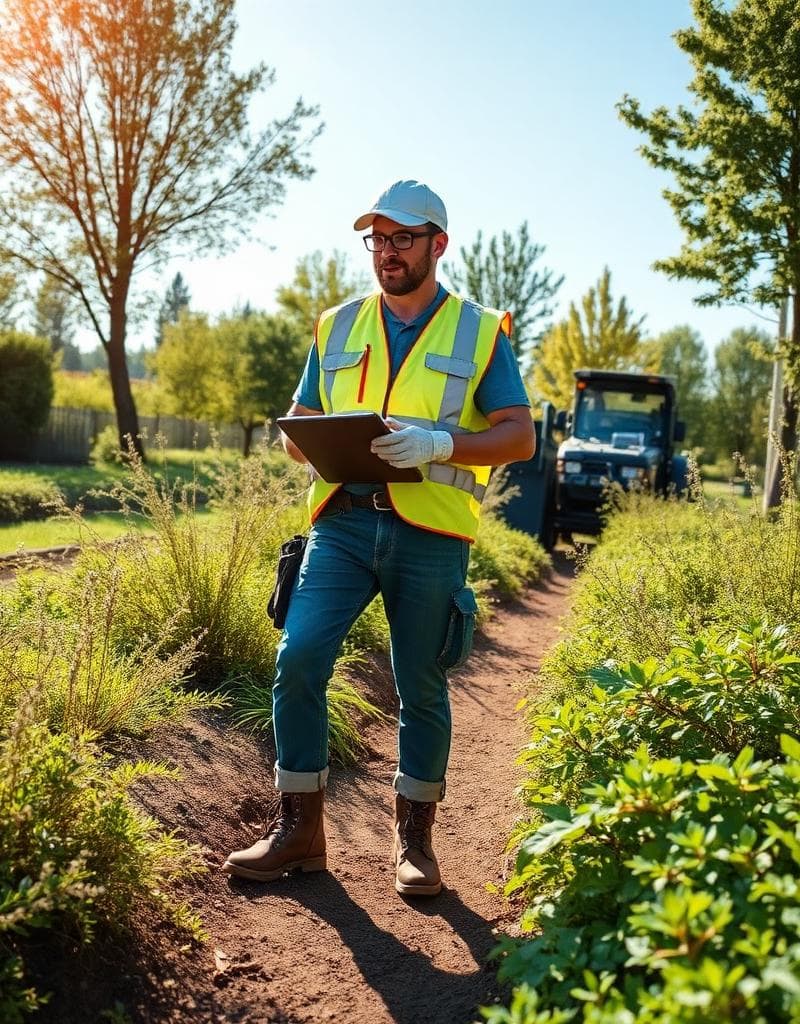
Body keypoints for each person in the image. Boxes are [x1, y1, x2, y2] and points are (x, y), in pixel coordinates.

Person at [223, 179, 535, 897]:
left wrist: (439, 443)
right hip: (343, 523)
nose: (386, 252)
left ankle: (416, 843)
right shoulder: (336, 325)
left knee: (420, 684)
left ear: (437, 245)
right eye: (378, 239)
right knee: (299, 657)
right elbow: (298, 423)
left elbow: (519, 436)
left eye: (402, 239)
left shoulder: (479, 331)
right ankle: (298, 829)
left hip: (430, 532)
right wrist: (312, 440)